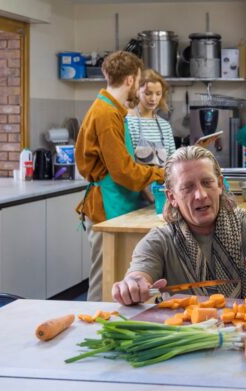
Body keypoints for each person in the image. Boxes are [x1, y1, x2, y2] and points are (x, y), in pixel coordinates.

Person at [111, 146, 246, 305]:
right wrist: (133, 285)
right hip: (185, 336)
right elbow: (139, 273)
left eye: (207, 182)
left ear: (219, 184)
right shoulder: (159, 241)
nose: (200, 195)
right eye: (188, 187)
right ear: (171, 197)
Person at [76, 51, 165, 302]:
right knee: (104, 278)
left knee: (118, 277)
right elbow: (124, 171)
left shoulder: (114, 111)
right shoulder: (105, 114)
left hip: (118, 202)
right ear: (129, 80)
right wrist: (161, 173)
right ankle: (92, 330)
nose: (137, 88)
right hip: (106, 204)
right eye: (138, 82)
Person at [126, 68, 176, 204]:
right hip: (135, 196)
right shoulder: (129, 122)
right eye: (147, 93)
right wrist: (147, 194)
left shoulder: (165, 125)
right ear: (137, 92)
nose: (153, 99)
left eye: (158, 94)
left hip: (161, 195)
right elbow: (128, 165)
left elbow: (172, 163)